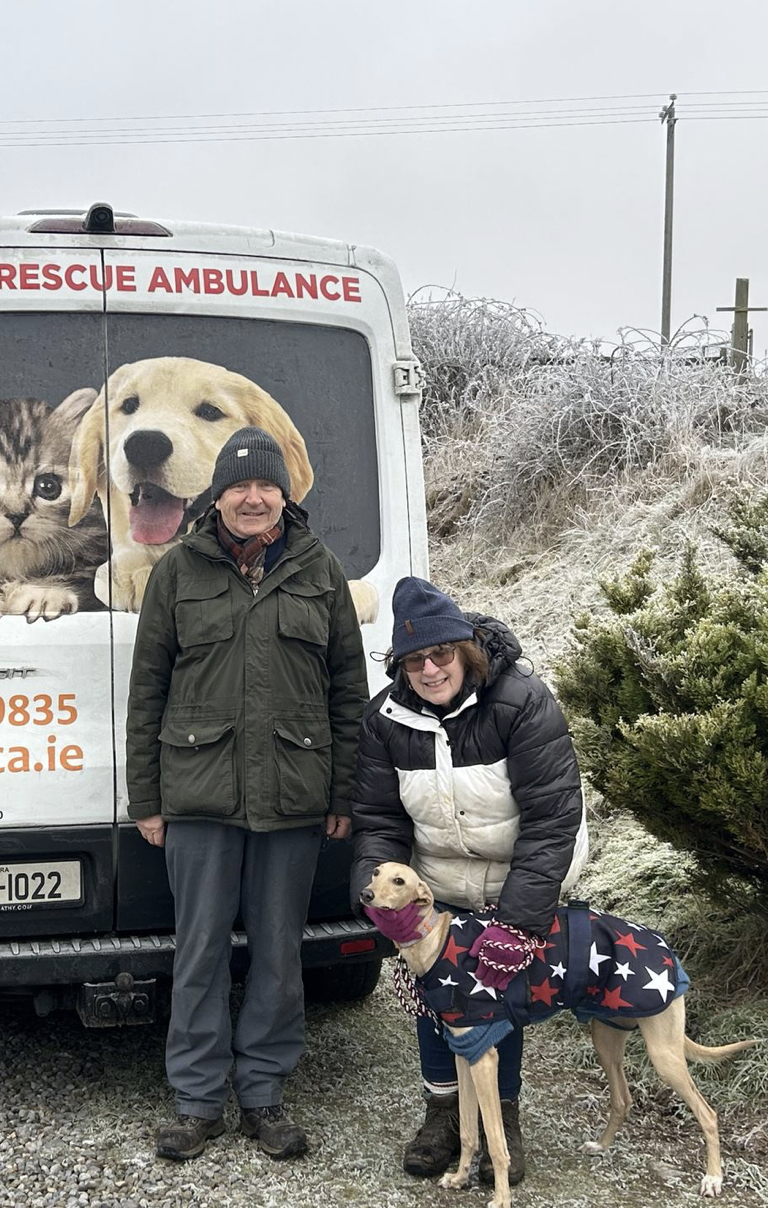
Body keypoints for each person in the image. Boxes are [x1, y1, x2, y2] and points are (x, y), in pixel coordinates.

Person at [127, 426, 368, 1163]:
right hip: (197, 794)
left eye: (265, 486)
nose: (253, 497)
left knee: (277, 952)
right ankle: (198, 1102)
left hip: (294, 796)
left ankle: (263, 1094)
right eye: (239, 486)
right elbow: (147, 691)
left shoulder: (320, 570)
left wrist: (342, 792)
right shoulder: (178, 571)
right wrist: (147, 798)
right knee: (198, 951)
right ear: (218, 496)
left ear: (283, 495)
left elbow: (347, 692)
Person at [350, 576, 589, 1185]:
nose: (430, 670)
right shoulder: (385, 720)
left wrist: (517, 920)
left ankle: (501, 1120)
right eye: (415, 660)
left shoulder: (521, 701)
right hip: (439, 881)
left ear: (467, 649)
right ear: (400, 665)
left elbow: (553, 817)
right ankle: (444, 1113)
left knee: (496, 996)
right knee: (435, 1000)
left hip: (520, 874)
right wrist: (378, 890)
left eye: (442, 654)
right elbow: (378, 820)